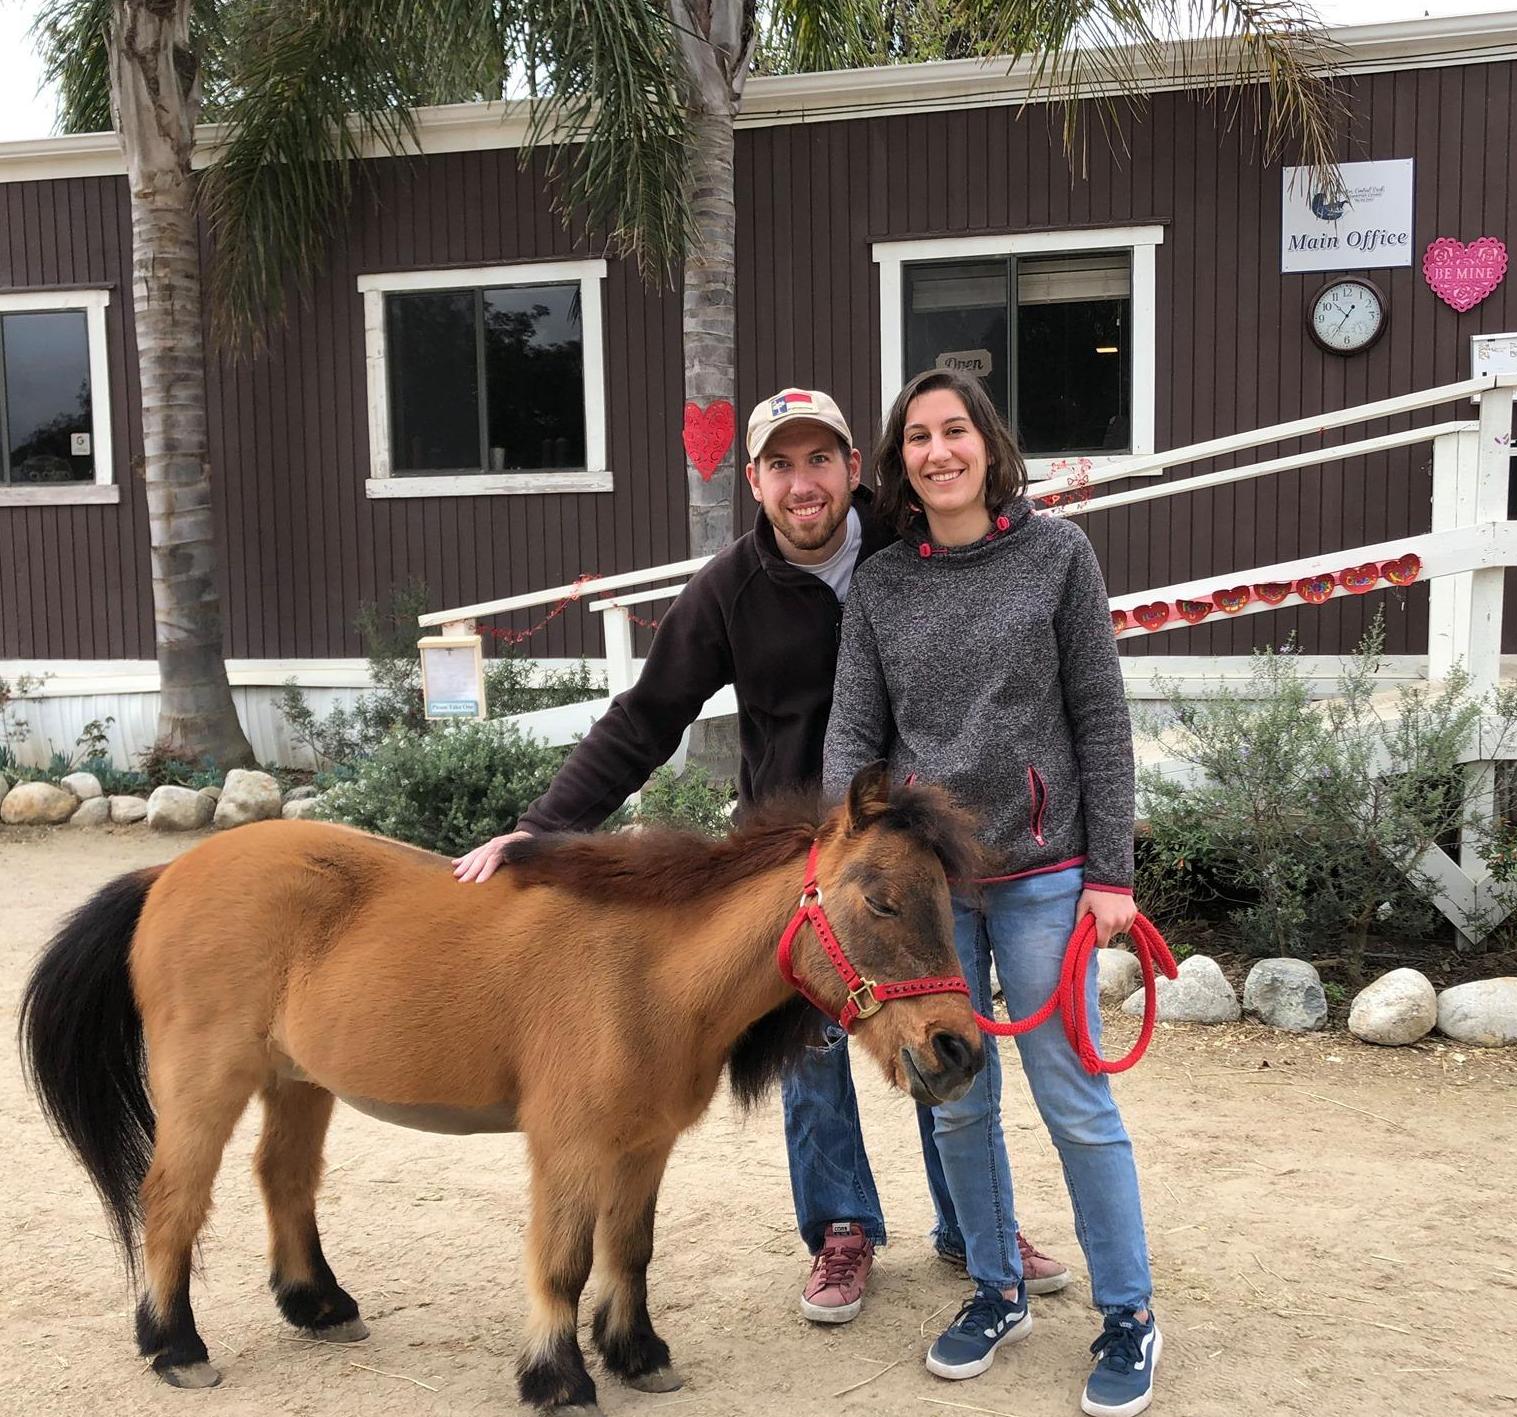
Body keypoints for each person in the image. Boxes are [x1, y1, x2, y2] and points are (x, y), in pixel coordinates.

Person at [452, 385, 1070, 1327]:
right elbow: (647, 718)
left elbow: (991, 537)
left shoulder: (906, 555)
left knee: (929, 1021)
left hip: (903, 850)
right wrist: (542, 830)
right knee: (809, 1054)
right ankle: (841, 1230)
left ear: (853, 468)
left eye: (819, 459)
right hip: (791, 862)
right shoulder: (728, 589)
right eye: (780, 465)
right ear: (755, 480)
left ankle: (970, 1226)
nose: (802, 482)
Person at [822, 368, 1161, 1417]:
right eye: (916, 438)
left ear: (987, 443)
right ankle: (997, 1289)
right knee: (958, 1100)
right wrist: (847, 849)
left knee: (1074, 1102)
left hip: (1045, 875)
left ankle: (1128, 1314)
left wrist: (1112, 875)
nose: (937, 452)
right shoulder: (880, 586)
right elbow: (853, 729)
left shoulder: (1058, 557)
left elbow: (1100, 721)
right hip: (932, 891)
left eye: (953, 430)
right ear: (900, 464)